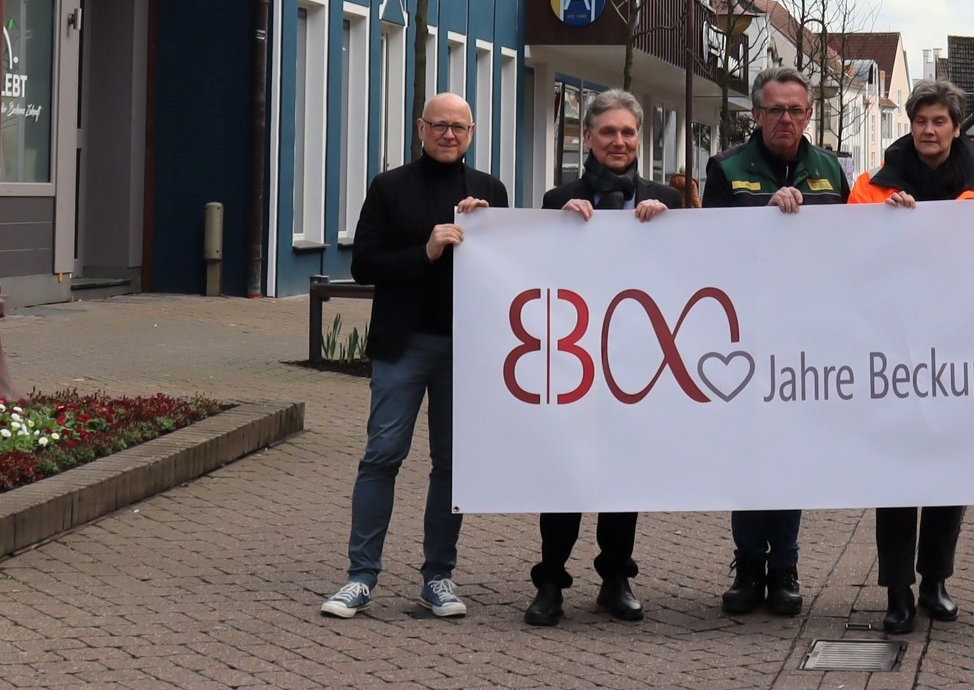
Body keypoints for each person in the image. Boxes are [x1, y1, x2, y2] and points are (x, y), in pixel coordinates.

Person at [320, 93, 508, 620]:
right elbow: (363, 264)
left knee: (452, 466)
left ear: (471, 132)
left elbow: (510, 269)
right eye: (440, 126)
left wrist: (492, 231)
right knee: (382, 456)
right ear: (420, 129)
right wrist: (424, 252)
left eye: (460, 127)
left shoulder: (490, 192)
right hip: (404, 345)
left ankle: (438, 578)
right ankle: (360, 577)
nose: (450, 135)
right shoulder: (390, 187)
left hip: (465, 349)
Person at [848, 77, 974, 634]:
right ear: (910, 126)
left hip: (958, 349)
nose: (929, 130)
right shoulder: (871, 187)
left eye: (939, 121)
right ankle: (897, 589)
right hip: (891, 349)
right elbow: (847, 254)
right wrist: (881, 223)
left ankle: (936, 580)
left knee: (948, 470)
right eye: (921, 121)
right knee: (896, 475)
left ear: (956, 128)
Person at [529, 90, 681, 628]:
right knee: (565, 469)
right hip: (574, 359)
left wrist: (668, 228)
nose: (619, 142)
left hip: (636, 360)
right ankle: (550, 579)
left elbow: (687, 274)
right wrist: (560, 228)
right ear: (588, 138)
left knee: (623, 468)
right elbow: (536, 272)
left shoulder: (666, 201)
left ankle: (616, 577)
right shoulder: (557, 201)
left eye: (629, 133)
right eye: (608, 133)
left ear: (639, 139)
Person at [701, 66, 850, 617]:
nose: (786, 119)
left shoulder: (831, 170)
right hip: (743, 339)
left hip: (806, 341)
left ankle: (785, 568)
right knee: (748, 455)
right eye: (775, 110)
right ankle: (748, 567)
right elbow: (707, 252)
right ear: (757, 115)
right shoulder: (727, 169)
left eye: (796, 110)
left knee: (791, 457)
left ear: (809, 115)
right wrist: (761, 222)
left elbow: (852, 253)